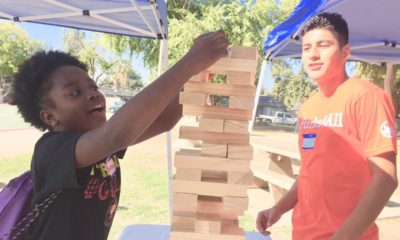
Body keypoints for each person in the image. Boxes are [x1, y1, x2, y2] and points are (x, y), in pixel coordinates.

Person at [10, 30, 228, 240]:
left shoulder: (101, 142)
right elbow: (117, 134)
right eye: (75, 93)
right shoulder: (51, 149)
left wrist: (200, 76)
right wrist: (189, 63)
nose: (93, 94)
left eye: (93, 86)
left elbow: (163, 120)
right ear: (50, 117)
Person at [256, 12, 398, 240]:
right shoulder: (308, 107)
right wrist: (279, 208)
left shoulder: (366, 97)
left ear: (345, 53)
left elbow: (386, 179)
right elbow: (308, 172)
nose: (313, 55)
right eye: (306, 48)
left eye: (323, 45)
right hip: (302, 234)